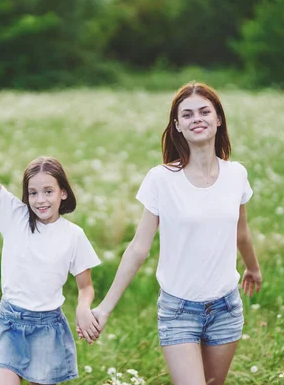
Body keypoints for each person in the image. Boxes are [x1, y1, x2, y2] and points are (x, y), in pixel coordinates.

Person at [83, 81, 263, 384]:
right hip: (179, 309)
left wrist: (253, 268)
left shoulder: (236, 175)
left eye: (205, 111)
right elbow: (139, 248)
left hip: (226, 307)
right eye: (188, 115)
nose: (197, 119)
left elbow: (241, 233)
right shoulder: (161, 179)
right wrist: (105, 308)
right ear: (177, 125)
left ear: (218, 119)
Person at [0, 102, 101, 385]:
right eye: (33, 192)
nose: (40, 199)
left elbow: (86, 286)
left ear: (63, 194)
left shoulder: (73, 235)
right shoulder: (15, 216)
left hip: (48, 327)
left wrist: (83, 307)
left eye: (48, 191)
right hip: (10, 322)